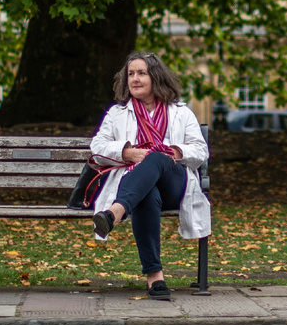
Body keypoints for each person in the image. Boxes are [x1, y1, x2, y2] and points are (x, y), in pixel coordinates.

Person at [90, 51, 211, 301]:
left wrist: (172, 152)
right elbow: (98, 148)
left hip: (174, 185)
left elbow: (200, 151)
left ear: (156, 77)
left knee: (156, 157)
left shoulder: (181, 112)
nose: (135, 78)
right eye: (131, 74)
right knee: (147, 194)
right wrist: (127, 153)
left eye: (141, 73)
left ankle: (114, 213)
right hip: (137, 188)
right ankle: (155, 277)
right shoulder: (117, 113)